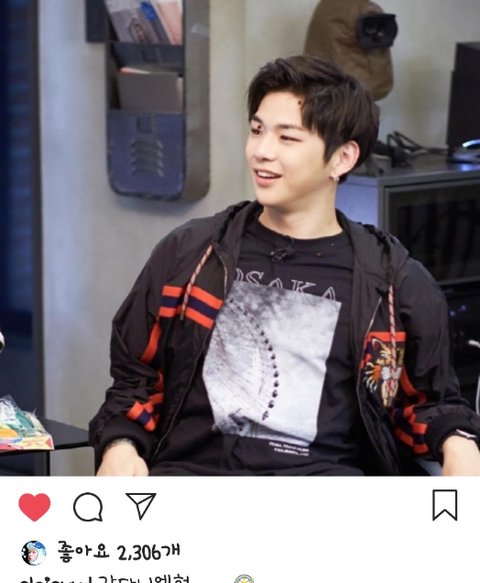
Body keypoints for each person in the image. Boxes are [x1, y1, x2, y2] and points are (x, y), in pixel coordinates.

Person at [89, 55, 480, 476]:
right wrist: (121, 444)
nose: (261, 151)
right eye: (257, 130)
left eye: (287, 138)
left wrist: (457, 442)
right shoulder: (191, 253)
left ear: (342, 158)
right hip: (194, 483)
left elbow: (428, 404)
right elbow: (134, 380)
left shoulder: (393, 282)